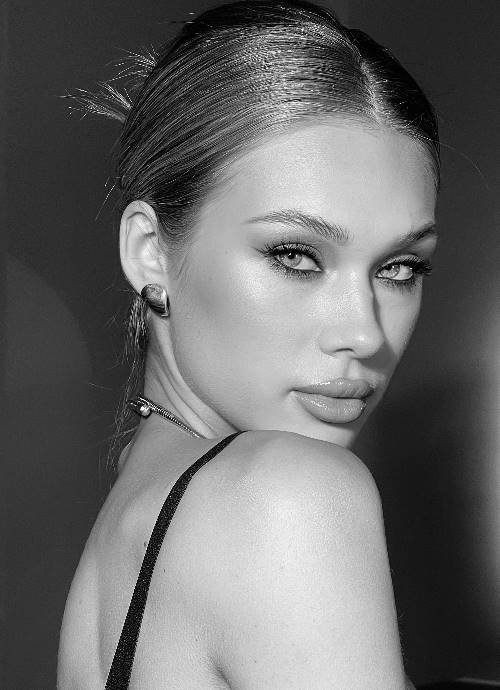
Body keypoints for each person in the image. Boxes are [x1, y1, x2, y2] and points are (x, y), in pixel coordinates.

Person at [57, 1, 439, 687]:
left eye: (399, 268)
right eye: (294, 255)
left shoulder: (132, 526)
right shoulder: (286, 495)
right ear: (150, 252)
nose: (365, 332)